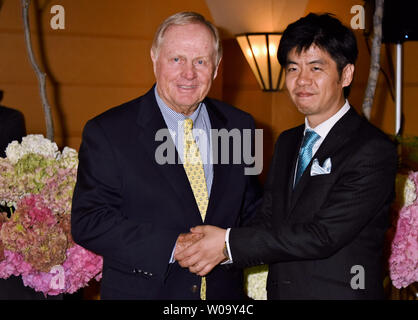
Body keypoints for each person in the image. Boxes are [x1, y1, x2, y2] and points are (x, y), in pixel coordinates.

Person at [175, 13, 398, 300]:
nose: (302, 80)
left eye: (316, 68)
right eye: (293, 68)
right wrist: (210, 243)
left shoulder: (371, 149)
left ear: (346, 75)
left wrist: (228, 243)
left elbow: (323, 235)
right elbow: (268, 218)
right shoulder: (288, 141)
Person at [71, 12, 261, 300]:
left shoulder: (240, 125)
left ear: (216, 67)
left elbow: (253, 210)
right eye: (177, 59)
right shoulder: (108, 131)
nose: (189, 73)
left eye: (200, 61)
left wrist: (229, 246)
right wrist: (173, 246)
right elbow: (89, 220)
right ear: (154, 58)